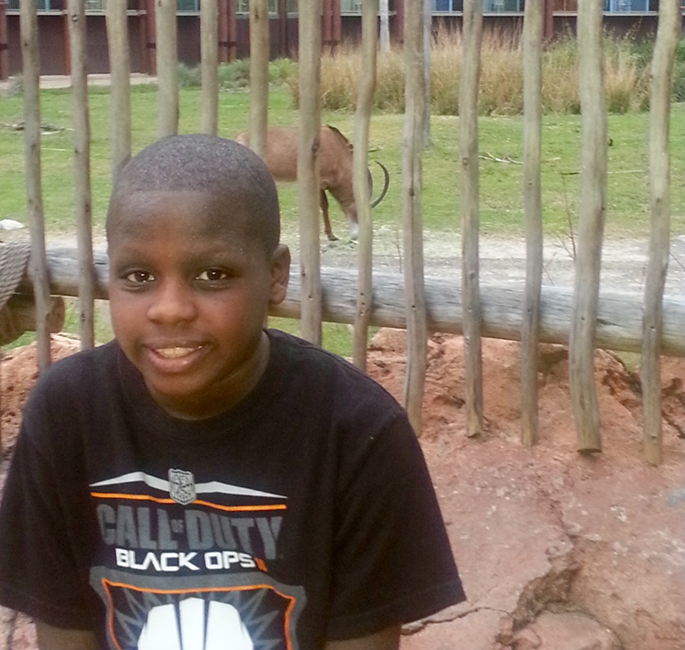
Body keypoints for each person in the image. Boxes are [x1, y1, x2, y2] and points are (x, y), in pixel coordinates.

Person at [0, 135, 465, 650]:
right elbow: (64, 632)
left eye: (212, 274)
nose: (169, 309)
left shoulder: (356, 432)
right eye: (139, 275)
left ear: (274, 276)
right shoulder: (66, 415)